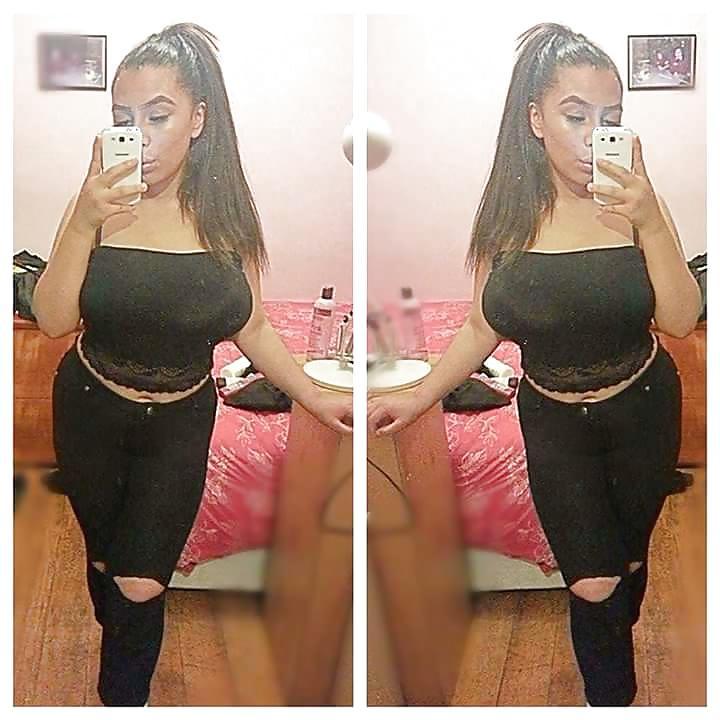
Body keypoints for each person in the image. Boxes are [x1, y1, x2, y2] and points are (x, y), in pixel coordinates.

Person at [367, 23, 701, 707]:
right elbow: (481, 325)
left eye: (609, 117)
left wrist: (650, 219)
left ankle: (620, 622)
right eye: (574, 115)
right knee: (591, 581)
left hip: (642, 411)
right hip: (554, 422)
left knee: (627, 563)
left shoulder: (634, 205)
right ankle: (612, 697)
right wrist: (419, 395)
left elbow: (678, 318)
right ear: (536, 119)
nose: (592, 135)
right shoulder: (507, 219)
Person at [32, 23, 353, 707]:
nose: (141, 136)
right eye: (125, 118)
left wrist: (315, 394)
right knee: (105, 559)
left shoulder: (227, 220)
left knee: (143, 580)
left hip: (179, 421)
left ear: (199, 119)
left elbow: (251, 326)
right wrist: (83, 220)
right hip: (90, 409)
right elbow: (54, 319)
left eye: (159, 115)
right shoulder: (97, 209)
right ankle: (114, 619)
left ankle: (123, 698)